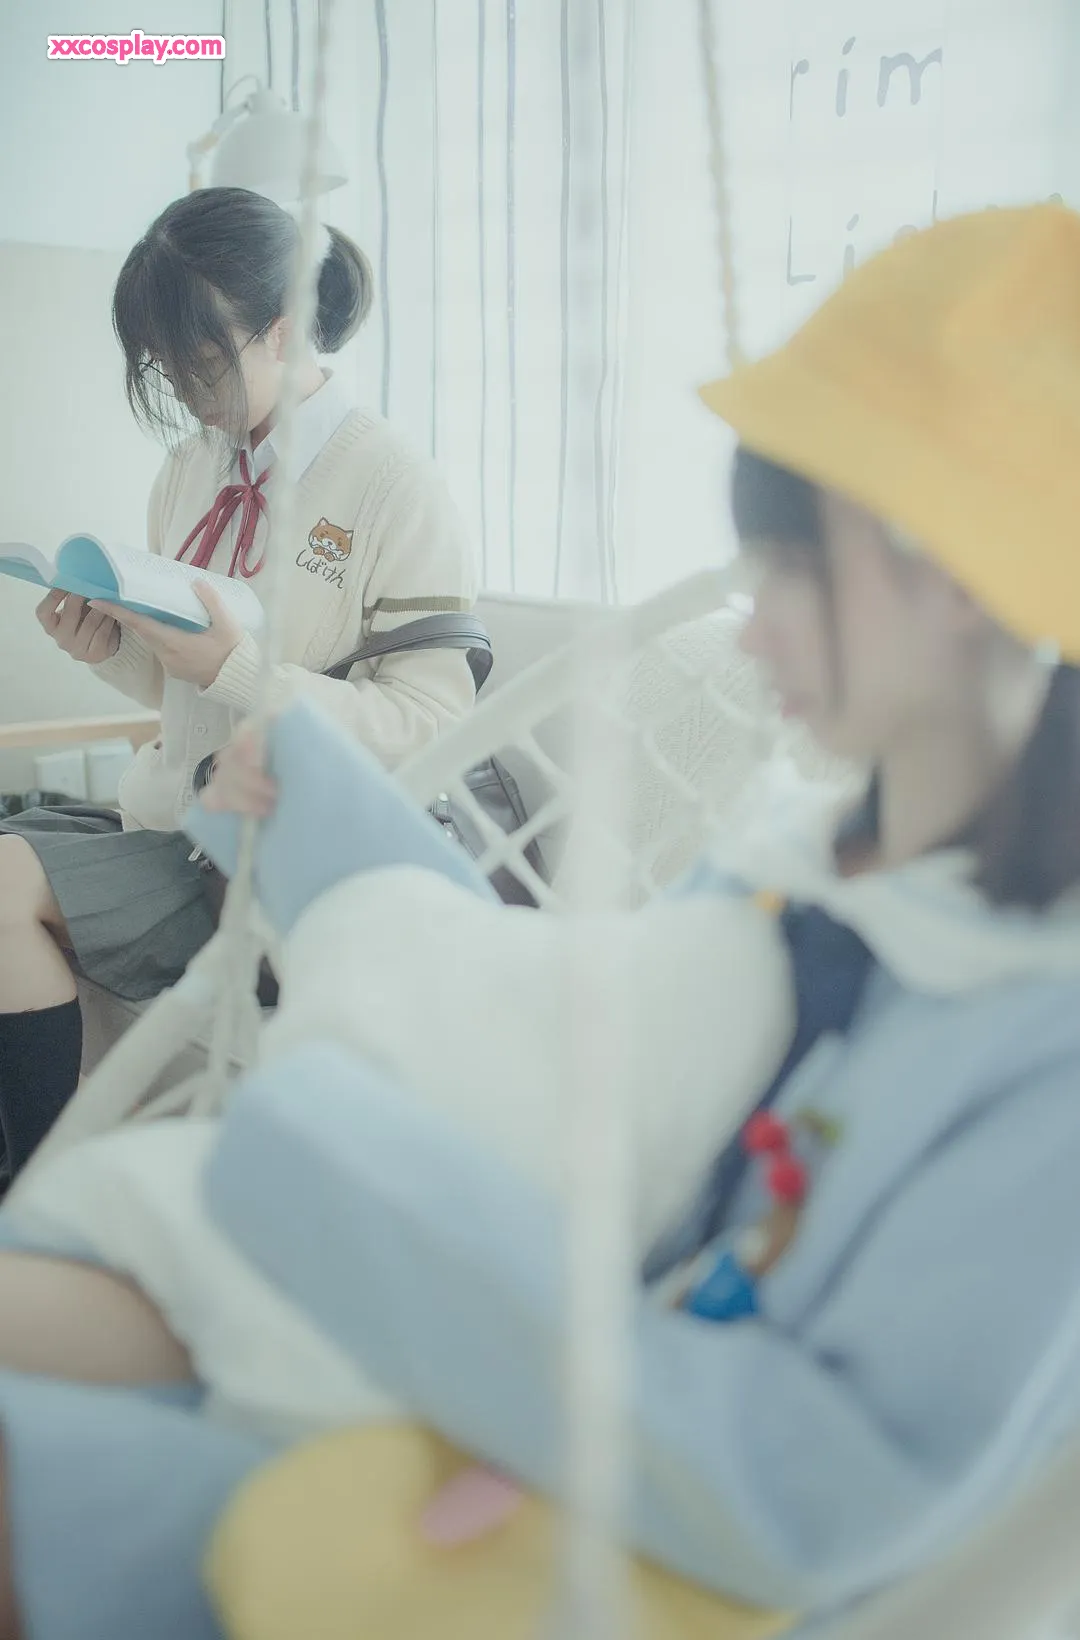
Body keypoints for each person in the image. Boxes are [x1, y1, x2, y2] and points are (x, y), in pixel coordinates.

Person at [0, 202, 1076, 1640]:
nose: (753, 628)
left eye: (793, 572)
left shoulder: (1028, 1038)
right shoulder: (822, 860)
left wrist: (377, 1201)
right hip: (503, 1339)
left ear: (951, 578)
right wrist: (314, 811)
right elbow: (564, 1015)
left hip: (601, 1492)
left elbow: (819, 1483)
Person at [0, 186, 478, 1178]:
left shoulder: (393, 482)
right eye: (164, 363)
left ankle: (38, 1201)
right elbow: (182, 698)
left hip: (263, 860)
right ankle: (51, 1192)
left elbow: (432, 721)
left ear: (284, 326)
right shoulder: (190, 468)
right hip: (167, 824)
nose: (184, 386)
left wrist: (240, 667)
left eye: (201, 359)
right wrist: (105, 646)